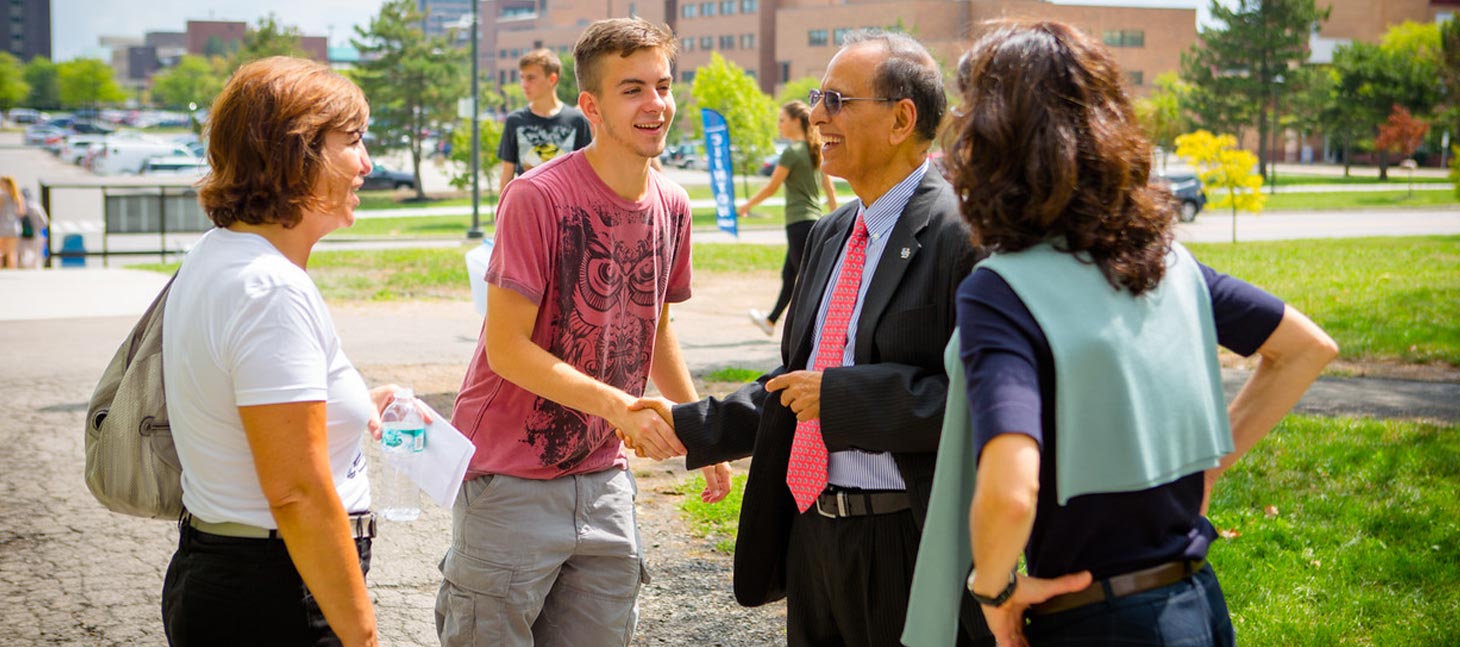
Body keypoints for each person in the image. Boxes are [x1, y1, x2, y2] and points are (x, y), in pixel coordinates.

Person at [910, 20, 1338, 647]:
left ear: (990, 143)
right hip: (1199, 603)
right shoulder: (1168, 262)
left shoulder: (1001, 292)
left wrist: (994, 594)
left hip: (1095, 620)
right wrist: (1214, 464)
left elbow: (1010, 489)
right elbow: (1305, 348)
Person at [631, 30, 994, 647]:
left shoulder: (966, 233)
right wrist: (689, 424)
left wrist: (849, 398)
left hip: (912, 542)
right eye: (816, 98)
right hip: (813, 538)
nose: (817, 115)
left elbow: (987, 399)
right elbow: (796, 386)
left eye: (836, 99)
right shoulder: (830, 233)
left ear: (902, 118)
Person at [437, 18, 731, 647]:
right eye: (632, 89)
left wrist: (698, 427)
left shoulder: (674, 205)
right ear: (590, 106)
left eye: (663, 85)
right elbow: (506, 348)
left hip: (603, 478)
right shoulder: (535, 197)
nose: (655, 104)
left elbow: (655, 329)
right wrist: (619, 406)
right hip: (509, 478)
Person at [160, 56, 405, 647]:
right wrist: (363, 635)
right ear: (299, 153)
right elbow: (295, 491)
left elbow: (247, 409)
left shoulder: (220, 255)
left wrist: (344, 404)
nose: (367, 163)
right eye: (352, 141)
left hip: (230, 572)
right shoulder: (271, 289)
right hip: (275, 593)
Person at [743, 100, 839, 336]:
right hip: (815, 221)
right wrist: (836, 220)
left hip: (798, 222)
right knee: (790, 274)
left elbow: (772, 187)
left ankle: (820, 329)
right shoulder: (816, 149)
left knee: (807, 280)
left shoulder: (793, 152)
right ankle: (771, 320)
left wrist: (745, 205)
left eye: (782, 120)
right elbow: (830, 190)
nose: (779, 125)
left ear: (796, 122)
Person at [497, 47, 594, 197]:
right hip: (527, 208)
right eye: (522, 77)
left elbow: (586, 174)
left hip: (566, 211)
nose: (524, 84)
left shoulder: (577, 121)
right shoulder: (514, 121)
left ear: (552, 79)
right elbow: (507, 175)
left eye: (531, 78)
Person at [18, 187, 49, 269]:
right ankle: (36, 268)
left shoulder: (20, 206)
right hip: (37, 233)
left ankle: (25, 267)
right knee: (37, 253)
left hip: (23, 233)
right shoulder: (36, 206)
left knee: (24, 252)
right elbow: (45, 221)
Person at [0, 176, 24, 269]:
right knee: (12, 252)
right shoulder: (18, 197)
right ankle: (12, 270)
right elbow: (21, 212)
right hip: (14, 226)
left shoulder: (2, 197)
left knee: (1, 251)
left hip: (2, 226)